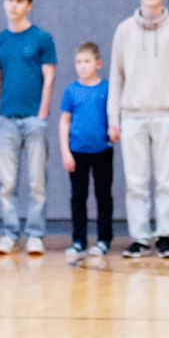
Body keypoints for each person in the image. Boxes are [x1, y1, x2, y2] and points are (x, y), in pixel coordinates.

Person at [109, 0, 169, 260]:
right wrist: (114, 117)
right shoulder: (124, 30)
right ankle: (140, 238)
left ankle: (165, 236)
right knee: (136, 183)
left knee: (166, 182)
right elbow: (116, 75)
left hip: (168, 115)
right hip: (132, 116)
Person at [0, 0, 55, 256]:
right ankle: (9, 233)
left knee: (37, 182)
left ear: (29, 5)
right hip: (6, 121)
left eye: (20, 1)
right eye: (10, 0)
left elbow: (49, 77)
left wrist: (42, 113)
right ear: (4, 2)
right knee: (7, 183)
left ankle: (34, 234)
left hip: (34, 120)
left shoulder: (42, 38)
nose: (14, 5)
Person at [57, 42, 112, 262]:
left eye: (87, 61)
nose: (82, 66)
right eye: (78, 62)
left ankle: (104, 239)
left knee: (103, 196)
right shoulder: (71, 90)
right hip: (77, 151)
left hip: (102, 150)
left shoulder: (106, 88)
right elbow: (64, 121)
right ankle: (78, 241)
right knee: (78, 198)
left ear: (98, 63)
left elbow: (113, 116)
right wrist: (65, 152)